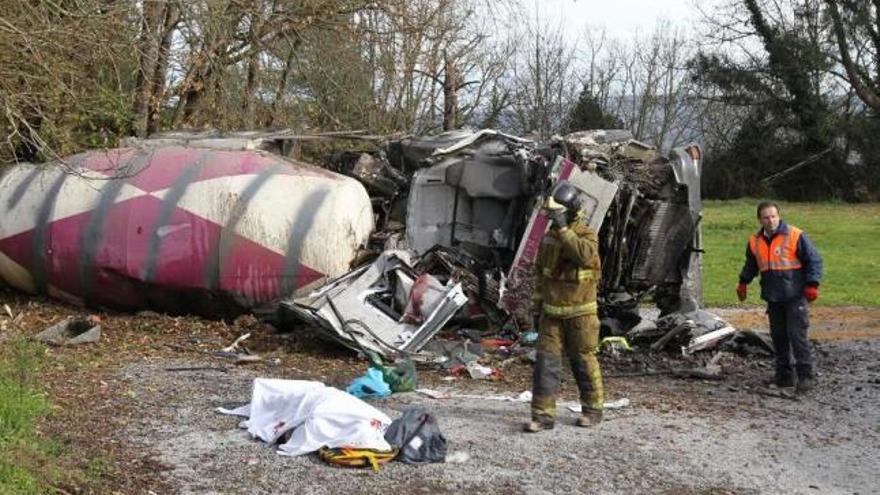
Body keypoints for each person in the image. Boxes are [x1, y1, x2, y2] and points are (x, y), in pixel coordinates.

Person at [524, 181, 603, 432]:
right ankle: (542, 416)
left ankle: (592, 410)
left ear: (569, 211)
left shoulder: (586, 235)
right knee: (545, 363)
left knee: (583, 361)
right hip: (552, 313)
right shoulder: (548, 239)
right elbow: (540, 275)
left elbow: (584, 256)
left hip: (581, 313)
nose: (551, 219)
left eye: (556, 214)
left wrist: (564, 229)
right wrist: (535, 310)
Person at [737, 201, 823, 393]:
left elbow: (814, 260)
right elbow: (751, 264)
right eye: (766, 217)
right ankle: (784, 376)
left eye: (774, 216)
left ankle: (805, 377)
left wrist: (812, 284)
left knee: (797, 336)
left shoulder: (795, 235)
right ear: (759, 219)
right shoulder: (755, 241)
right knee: (779, 337)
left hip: (795, 295)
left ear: (779, 216)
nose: (771, 220)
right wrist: (743, 282)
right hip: (773, 297)